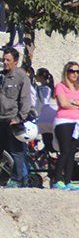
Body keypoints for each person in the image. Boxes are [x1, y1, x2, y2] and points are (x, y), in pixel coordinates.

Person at [0, 47, 33, 188]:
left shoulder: (21, 77)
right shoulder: (1, 76)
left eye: (8, 60)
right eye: (4, 59)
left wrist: (20, 118)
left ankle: (17, 179)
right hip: (1, 119)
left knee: (17, 152)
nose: (4, 62)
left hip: (13, 119)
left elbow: (25, 100)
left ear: (15, 61)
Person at [52, 62, 79, 190]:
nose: (75, 74)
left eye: (77, 71)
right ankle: (57, 179)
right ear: (66, 72)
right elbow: (63, 103)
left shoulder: (78, 88)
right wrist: (75, 104)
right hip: (63, 121)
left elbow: (69, 103)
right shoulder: (60, 86)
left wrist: (72, 102)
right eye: (72, 71)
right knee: (65, 151)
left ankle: (68, 180)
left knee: (72, 152)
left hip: (77, 123)